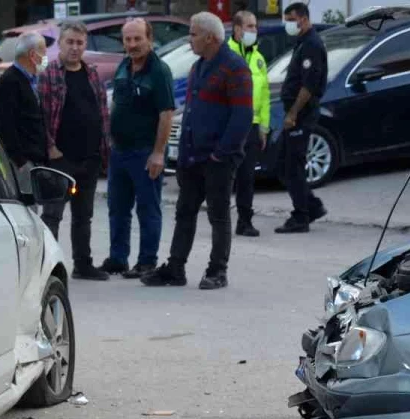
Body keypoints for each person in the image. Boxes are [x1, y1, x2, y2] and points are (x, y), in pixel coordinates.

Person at [142, 12, 252, 290]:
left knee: (218, 215)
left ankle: (218, 271)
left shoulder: (235, 67)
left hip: (217, 158)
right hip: (191, 157)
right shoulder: (198, 66)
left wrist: (221, 153)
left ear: (210, 37)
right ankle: (175, 268)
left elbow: (242, 117)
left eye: (193, 34)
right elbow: (191, 111)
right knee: (184, 212)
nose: (189, 39)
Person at [102, 18, 175, 279]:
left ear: (149, 39)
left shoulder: (159, 71)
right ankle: (118, 259)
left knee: (147, 208)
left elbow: (166, 114)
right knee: (117, 208)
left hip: (145, 152)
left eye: (137, 39)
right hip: (119, 151)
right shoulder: (124, 65)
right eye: (128, 39)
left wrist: (158, 152)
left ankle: (147, 262)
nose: (132, 44)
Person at [39, 21, 111, 281]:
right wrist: (51, 148)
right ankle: (48, 268)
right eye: (70, 42)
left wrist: (103, 150)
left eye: (80, 43)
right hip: (61, 159)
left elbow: (102, 112)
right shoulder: (50, 75)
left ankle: (83, 264)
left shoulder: (92, 73)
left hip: (89, 157)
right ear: (60, 43)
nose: (75, 47)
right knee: (52, 215)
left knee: (84, 217)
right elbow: (43, 115)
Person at [276, 2, 328, 234]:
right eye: (285, 19)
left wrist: (293, 114)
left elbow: (308, 86)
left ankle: (301, 216)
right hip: (296, 112)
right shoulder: (302, 43)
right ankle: (312, 206)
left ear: (304, 19)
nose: (287, 24)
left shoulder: (312, 45)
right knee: (285, 165)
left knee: (293, 167)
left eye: (291, 19)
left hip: (301, 114)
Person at [227, 11, 270, 237]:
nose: (254, 30)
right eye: (249, 26)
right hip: (229, 125)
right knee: (224, 175)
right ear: (237, 29)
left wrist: (263, 127)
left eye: (255, 26)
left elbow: (264, 96)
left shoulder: (258, 58)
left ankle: (245, 221)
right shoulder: (225, 55)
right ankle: (220, 218)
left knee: (246, 177)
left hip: (251, 127)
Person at [0, 32, 49, 169]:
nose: (45, 58)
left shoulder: (31, 80)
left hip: (37, 160)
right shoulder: (10, 81)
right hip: (24, 164)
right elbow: (6, 126)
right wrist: (20, 162)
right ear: (32, 55)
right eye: (43, 52)